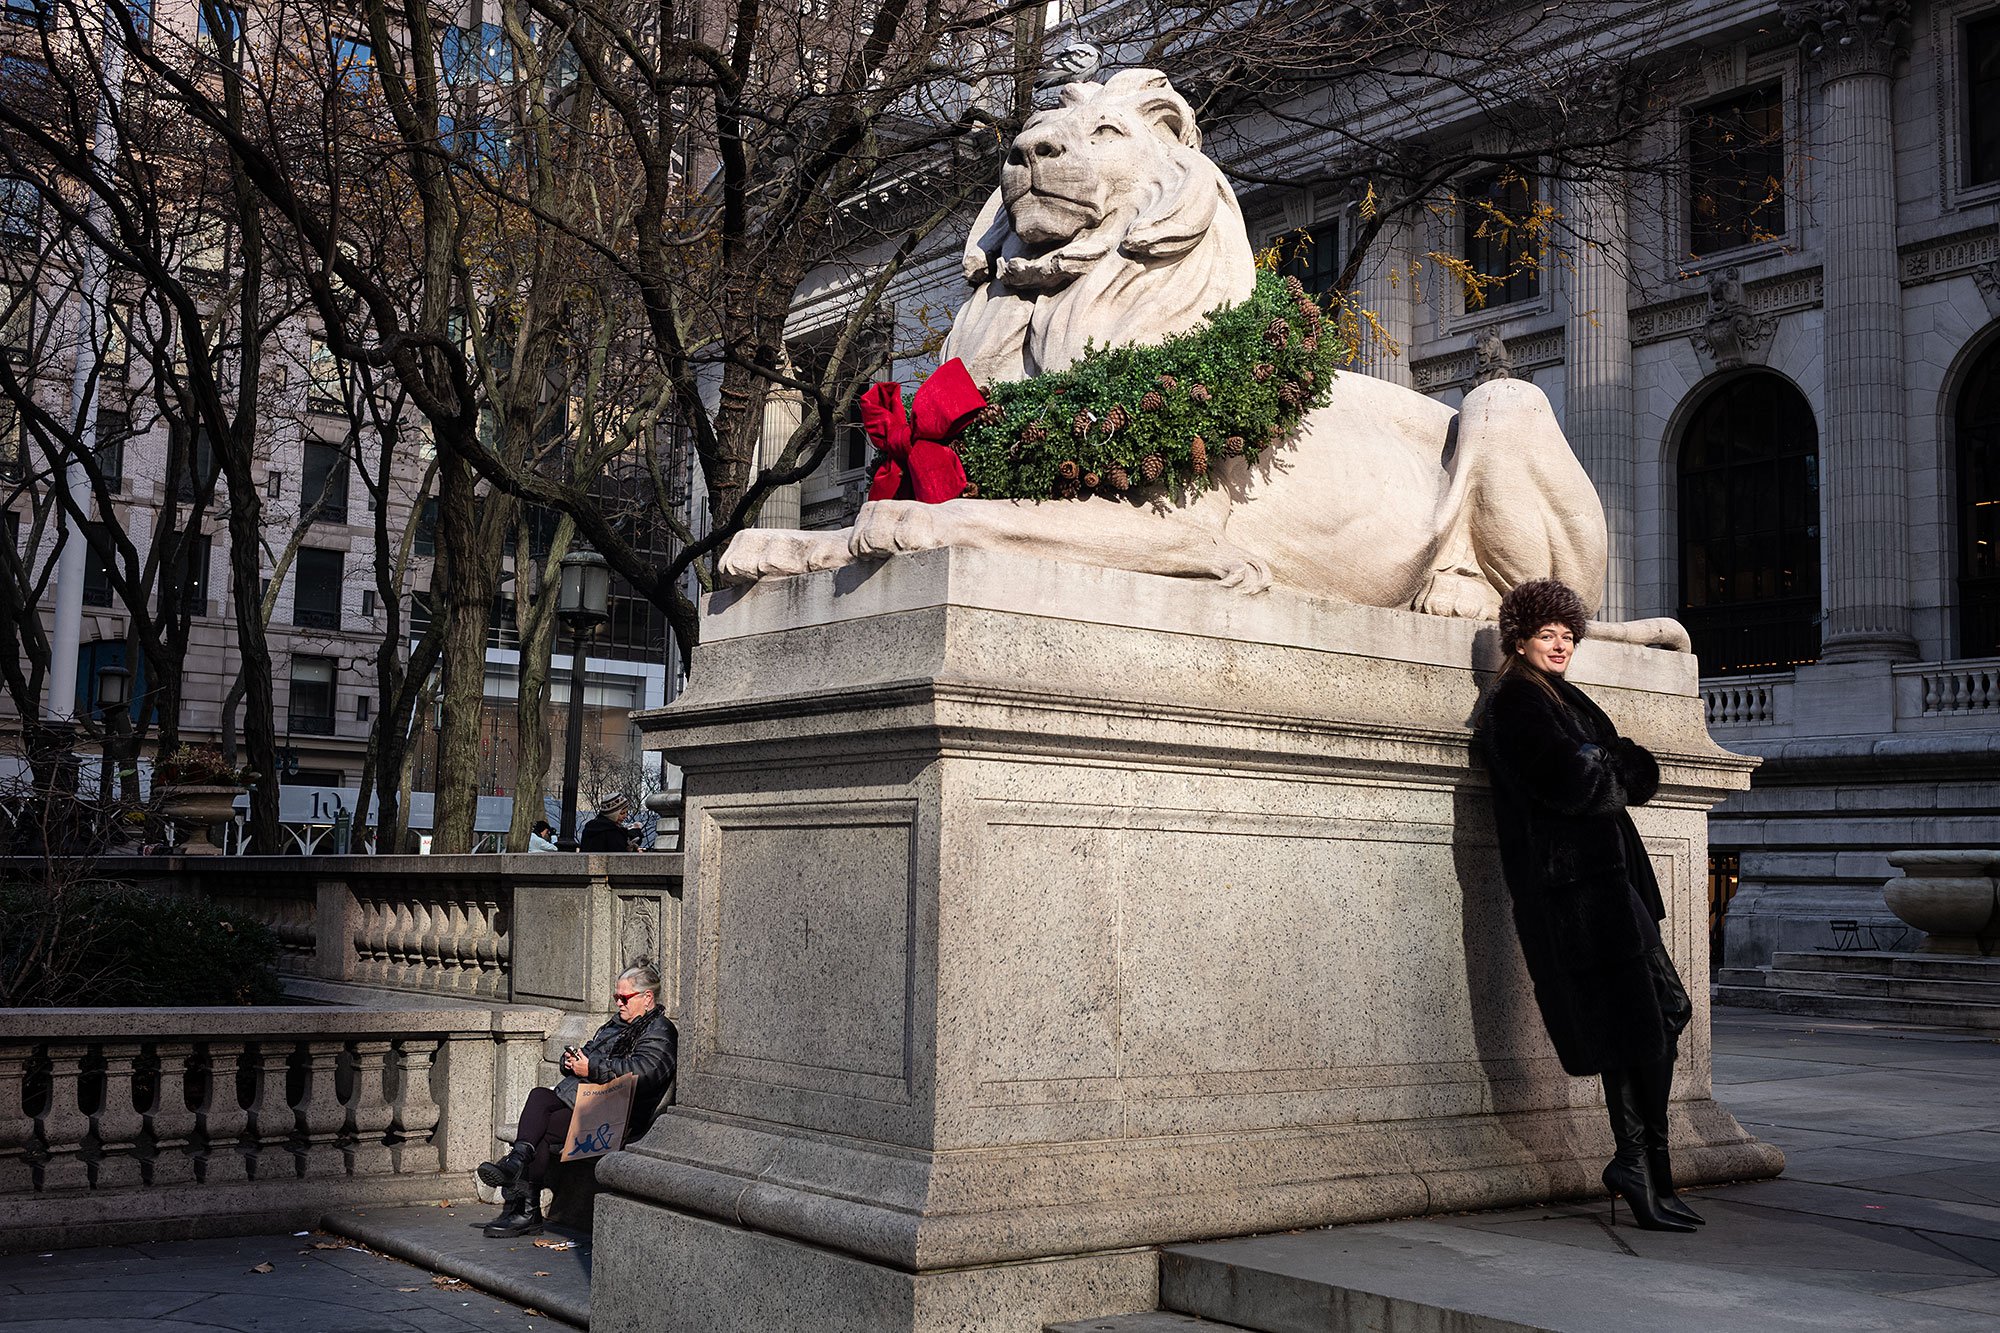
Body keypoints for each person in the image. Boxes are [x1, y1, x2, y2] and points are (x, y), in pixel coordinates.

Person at [1476, 578, 1698, 1234]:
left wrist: (1612, 765)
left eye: (1568, 636)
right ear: (1520, 638)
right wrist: (1620, 766)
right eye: (1548, 635)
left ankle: (1646, 1165)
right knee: (1644, 1016)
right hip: (1575, 890)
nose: (1560, 645)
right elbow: (1577, 779)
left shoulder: (1555, 697)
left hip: (1606, 880)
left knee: (1656, 1012)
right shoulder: (1515, 702)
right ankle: (1639, 1163)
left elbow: (1606, 768)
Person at [479, 961, 678, 1238]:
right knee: (540, 1102)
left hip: (619, 1115)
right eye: (616, 997)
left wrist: (592, 1067)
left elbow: (645, 1074)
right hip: (591, 1102)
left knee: (541, 1127)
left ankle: (524, 1201)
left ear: (647, 998)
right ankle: (521, 1176)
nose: (619, 1003)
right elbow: (589, 1053)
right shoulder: (617, 1024)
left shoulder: (660, 1030)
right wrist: (571, 1061)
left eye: (624, 998)